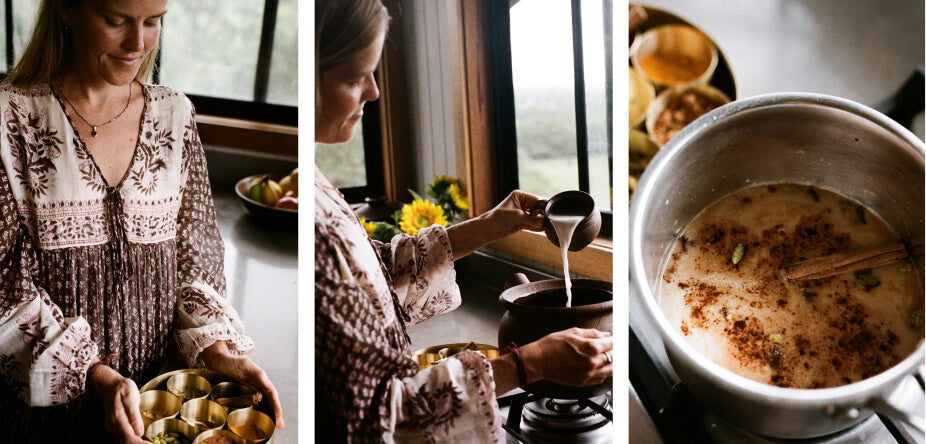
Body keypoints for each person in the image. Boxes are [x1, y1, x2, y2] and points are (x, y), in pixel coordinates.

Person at [315, 0, 614, 442]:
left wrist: (492, 224)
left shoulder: (317, 186)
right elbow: (375, 420)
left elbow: (371, 275)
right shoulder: (316, 224)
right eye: (355, 77)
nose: (375, 92)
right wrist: (531, 364)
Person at [0, 1, 283, 442]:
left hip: (158, 413)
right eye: (116, 21)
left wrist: (217, 351)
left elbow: (195, 261)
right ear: (67, 9)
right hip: (44, 423)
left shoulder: (174, 115)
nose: (138, 43)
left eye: (154, 22)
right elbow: (3, 288)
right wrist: (95, 376)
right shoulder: (10, 121)